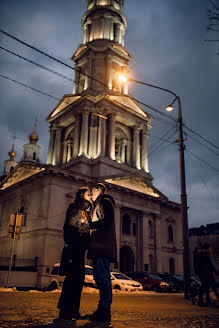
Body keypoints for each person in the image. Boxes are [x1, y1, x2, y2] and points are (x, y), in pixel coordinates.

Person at [79, 182, 117, 322]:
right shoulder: (100, 204)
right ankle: (102, 310)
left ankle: (104, 311)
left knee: (103, 279)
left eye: (92, 191)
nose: (91, 194)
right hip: (99, 247)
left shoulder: (105, 202)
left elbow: (107, 221)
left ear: (97, 190)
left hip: (102, 247)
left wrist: (89, 225)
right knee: (101, 279)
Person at [56, 186, 92, 321]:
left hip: (80, 249)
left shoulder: (86, 210)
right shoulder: (75, 208)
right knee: (72, 279)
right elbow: (70, 226)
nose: (90, 196)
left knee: (78, 280)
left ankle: (73, 310)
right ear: (82, 195)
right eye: (88, 194)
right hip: (74, 248)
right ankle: (65, 310)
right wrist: (81, 231)